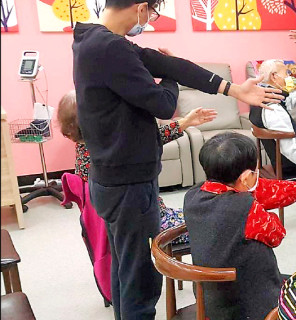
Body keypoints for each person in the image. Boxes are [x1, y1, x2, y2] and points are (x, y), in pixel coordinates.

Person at [72, 0, 282, 320]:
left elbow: (181, 67)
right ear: (142, 8)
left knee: (124, 267)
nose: (149, 23)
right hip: (127, 182)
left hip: (116, 177)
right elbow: (164, 102)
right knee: (139, 273)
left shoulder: (98, 41)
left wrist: (234, 90)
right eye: (150, 14)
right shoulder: (111, 50)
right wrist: (166, 71)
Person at [183, 132, 296, 320]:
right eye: (256, 172)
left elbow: (264, 190)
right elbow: (277, 235)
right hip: (248, 317)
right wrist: (258, 208)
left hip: (212, 308)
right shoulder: (246, 208)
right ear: (245, 178)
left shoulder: (193, 196)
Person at [57, 90, 215, 245]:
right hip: (154, 225)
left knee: (201, 213)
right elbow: (145, 140)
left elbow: (145, 139)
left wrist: (186, 122)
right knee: (216, 224)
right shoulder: (111, 157)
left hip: (142, 221)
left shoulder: (88, 148)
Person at [249, 59, 296, 179]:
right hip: (293, 166)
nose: (289, 77)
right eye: (286, 73)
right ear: (274, 77)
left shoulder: (262, 99)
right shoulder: (273, 109)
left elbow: (289, 100)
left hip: (283, 163)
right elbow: (289, 150)